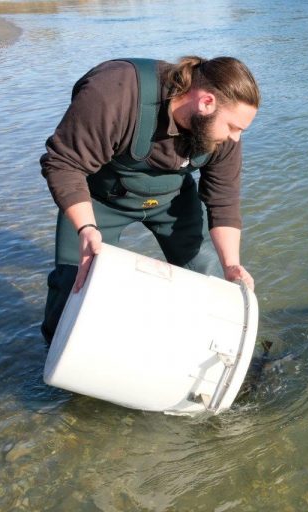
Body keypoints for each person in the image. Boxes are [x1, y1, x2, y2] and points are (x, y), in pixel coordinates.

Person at [40, 56, 260, 344]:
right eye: (233, 127)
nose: (235, 138)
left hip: (173, 201)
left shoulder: (223, 135)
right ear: (206, 102)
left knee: (214, 282)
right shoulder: (115, 90)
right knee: (73, 290)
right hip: (99, 200)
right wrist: (86, 228)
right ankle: (54, 360)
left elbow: (224, 200)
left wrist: (231, 264)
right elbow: (63, 163)